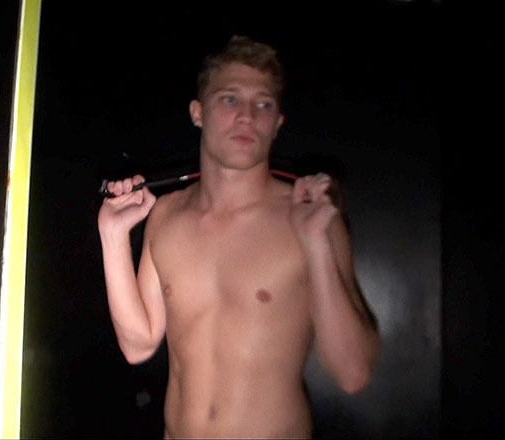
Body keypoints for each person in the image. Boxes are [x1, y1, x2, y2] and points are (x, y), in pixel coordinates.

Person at [97, 35, 380, 439]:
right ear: (198, 112)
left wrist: (315, 242)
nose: (247, 116)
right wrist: (112, 236)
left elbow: (353, 374)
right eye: (229, 99)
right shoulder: (167, 214)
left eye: (263, 104)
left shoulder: (309, 217)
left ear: (277, 123)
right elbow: (138, 344)